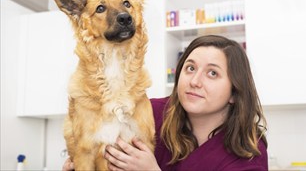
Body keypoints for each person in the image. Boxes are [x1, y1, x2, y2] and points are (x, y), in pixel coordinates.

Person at [63, 35, 268, 171]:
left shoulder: (248, 151)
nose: (195, 81)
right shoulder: (149, 113)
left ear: (235, 91)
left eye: (212, 73)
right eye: (190, 68)